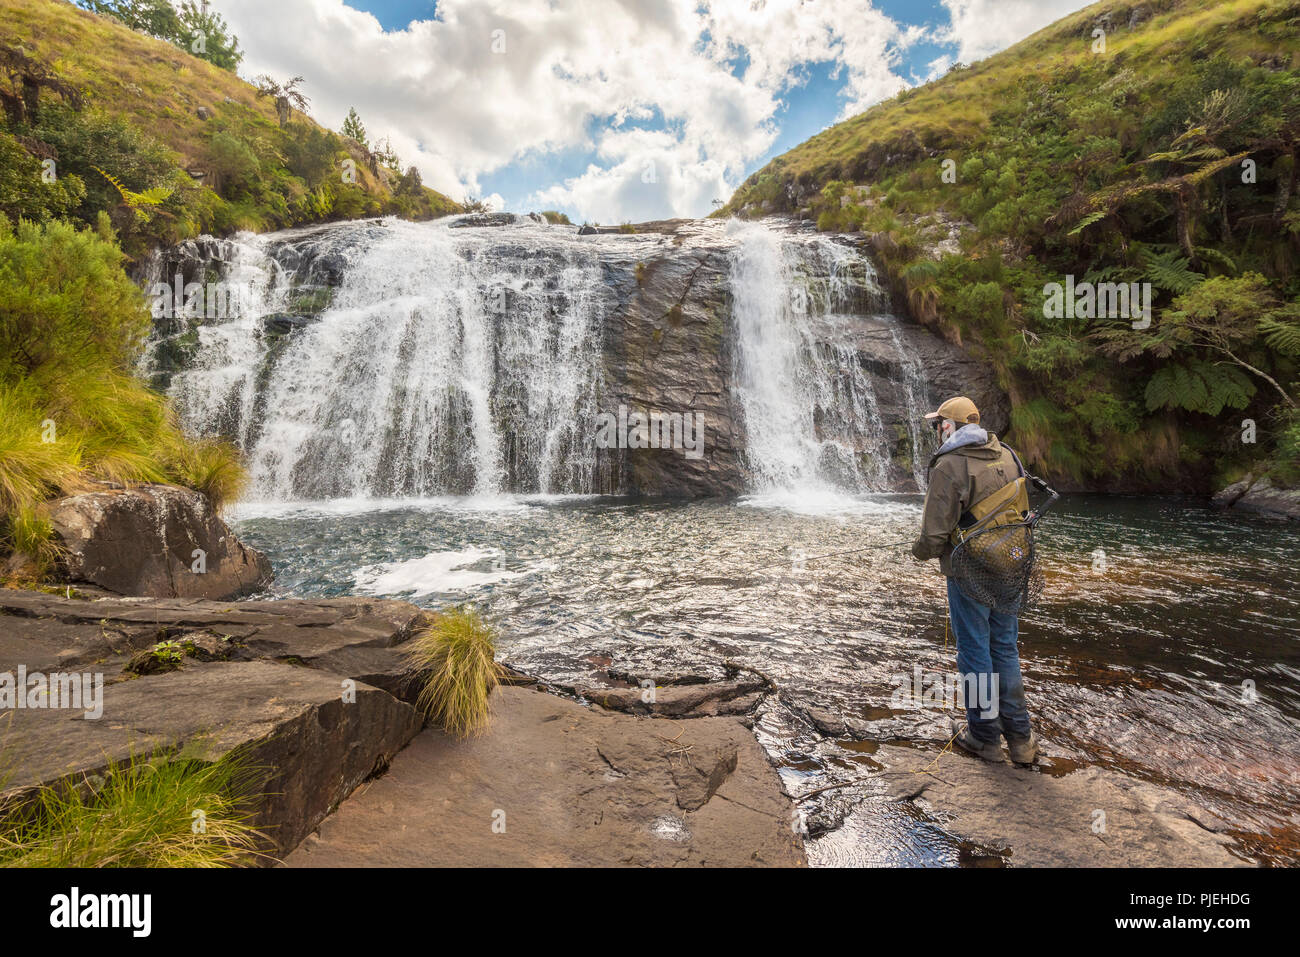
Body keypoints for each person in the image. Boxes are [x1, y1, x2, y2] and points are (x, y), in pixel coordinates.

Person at [911, 396, 1039, 764]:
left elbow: (934, 536)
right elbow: (1023, 511)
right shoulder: (1008, 454)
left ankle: (984, 737)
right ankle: (1021, 740)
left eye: (938, 425)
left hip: (969, 571)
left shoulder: (949, 465)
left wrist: (917, 552)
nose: (937, 431)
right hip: (1011, 565)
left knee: (974, 652)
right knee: (1004, 647)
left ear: (949, 427)